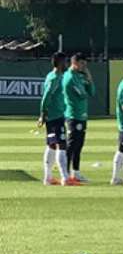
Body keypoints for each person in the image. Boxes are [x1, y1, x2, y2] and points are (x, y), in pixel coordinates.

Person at [38, 52, 75, 186]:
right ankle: (65, 177)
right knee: (61, 145)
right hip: (56, 116)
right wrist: (43, 113)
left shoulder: (51, 75)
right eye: (65, 61)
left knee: (52, 145)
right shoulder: (55, 78)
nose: (67, 64)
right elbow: (47, 95)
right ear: (60, 63)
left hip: (53, 116)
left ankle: (48, 178)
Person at [63, 52, 95, 183]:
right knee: (71, 145)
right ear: (74, 63)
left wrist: (89, 78)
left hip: (82, 115)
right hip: (73, 115)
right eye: (82, 64)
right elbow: (82, 94)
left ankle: (75, 172)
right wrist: (85, 82)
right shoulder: (70, 77)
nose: (84, 67)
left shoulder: (80, 76)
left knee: (79, 145)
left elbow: (92, 92)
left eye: (85, 64)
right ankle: (65, 173)